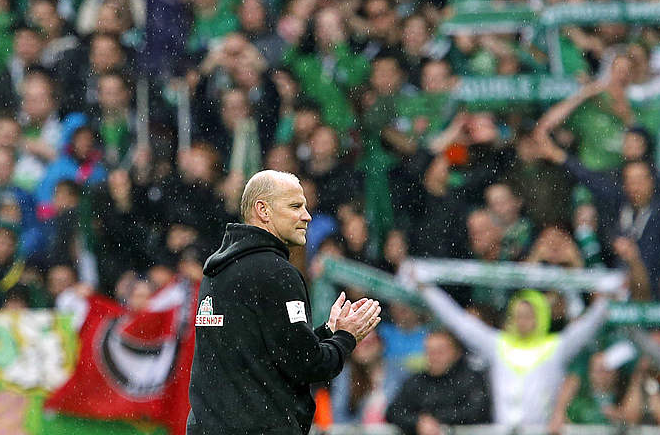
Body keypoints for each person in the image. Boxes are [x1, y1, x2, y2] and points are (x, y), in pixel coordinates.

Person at [187, 169, 381, 435]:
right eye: (295, 206)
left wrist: (328, 332)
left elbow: (273, 352)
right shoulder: (276, 272)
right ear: (263, 210)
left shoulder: (217, 270)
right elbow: (307, 365)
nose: (307, 216)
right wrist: (347, 338)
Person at [404, 265, 616, 428]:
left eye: (529, 316)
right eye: (518, 316)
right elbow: (459, 322)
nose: (523, 321)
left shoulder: (556, 347)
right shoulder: (498, 344)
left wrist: (608, 298)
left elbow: (587, 326)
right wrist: (427, 290)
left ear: (541, 316)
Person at [383, 330, 491, 434]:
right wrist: (418, 422)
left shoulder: (471, 379)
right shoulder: (416, 381)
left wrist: (436, 419)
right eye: (429, 351)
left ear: (456, 352)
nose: (434, 357)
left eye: (440, 351)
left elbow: (478, 412)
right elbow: (393, 412)